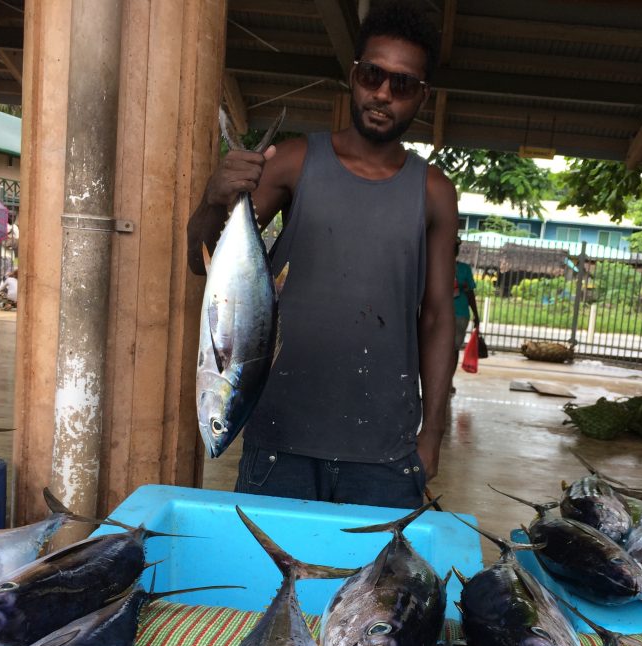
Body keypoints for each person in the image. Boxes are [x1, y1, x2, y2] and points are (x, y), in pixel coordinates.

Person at [186, 0, 457, 510]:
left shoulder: (435, 192)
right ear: (353, 76)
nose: (382, 94)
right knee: (273, 585)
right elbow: (204, 262)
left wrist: (433, 433)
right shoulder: (292, 160)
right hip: (279, 439)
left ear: (423, 94)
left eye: (402, 85)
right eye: (372, 75)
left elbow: (440, 317)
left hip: (385, 451)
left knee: (372, 590)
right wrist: (213, 196)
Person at [451, 240, 480, 392]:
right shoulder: (464, 269)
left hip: (441, 315)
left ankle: (443, 382)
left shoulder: (437, 267)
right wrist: (476, 315)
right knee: (453, 350)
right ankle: (448, 382)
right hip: (461, 314)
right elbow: (470, 294)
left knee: (441, 349)